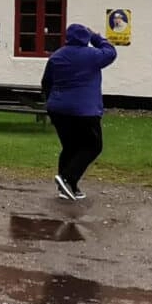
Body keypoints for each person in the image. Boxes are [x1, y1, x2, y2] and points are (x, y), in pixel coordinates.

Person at [39, 21, 118, 200]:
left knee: (70, 147)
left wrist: (52, 100)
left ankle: (67, 188)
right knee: (93, 145)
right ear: (86, 38)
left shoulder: (56, 56)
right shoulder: (93, 55)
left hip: (58, 109)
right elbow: (111, 52)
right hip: (85, 110)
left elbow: (46, 83)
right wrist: (97, 37)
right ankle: (67, 178)